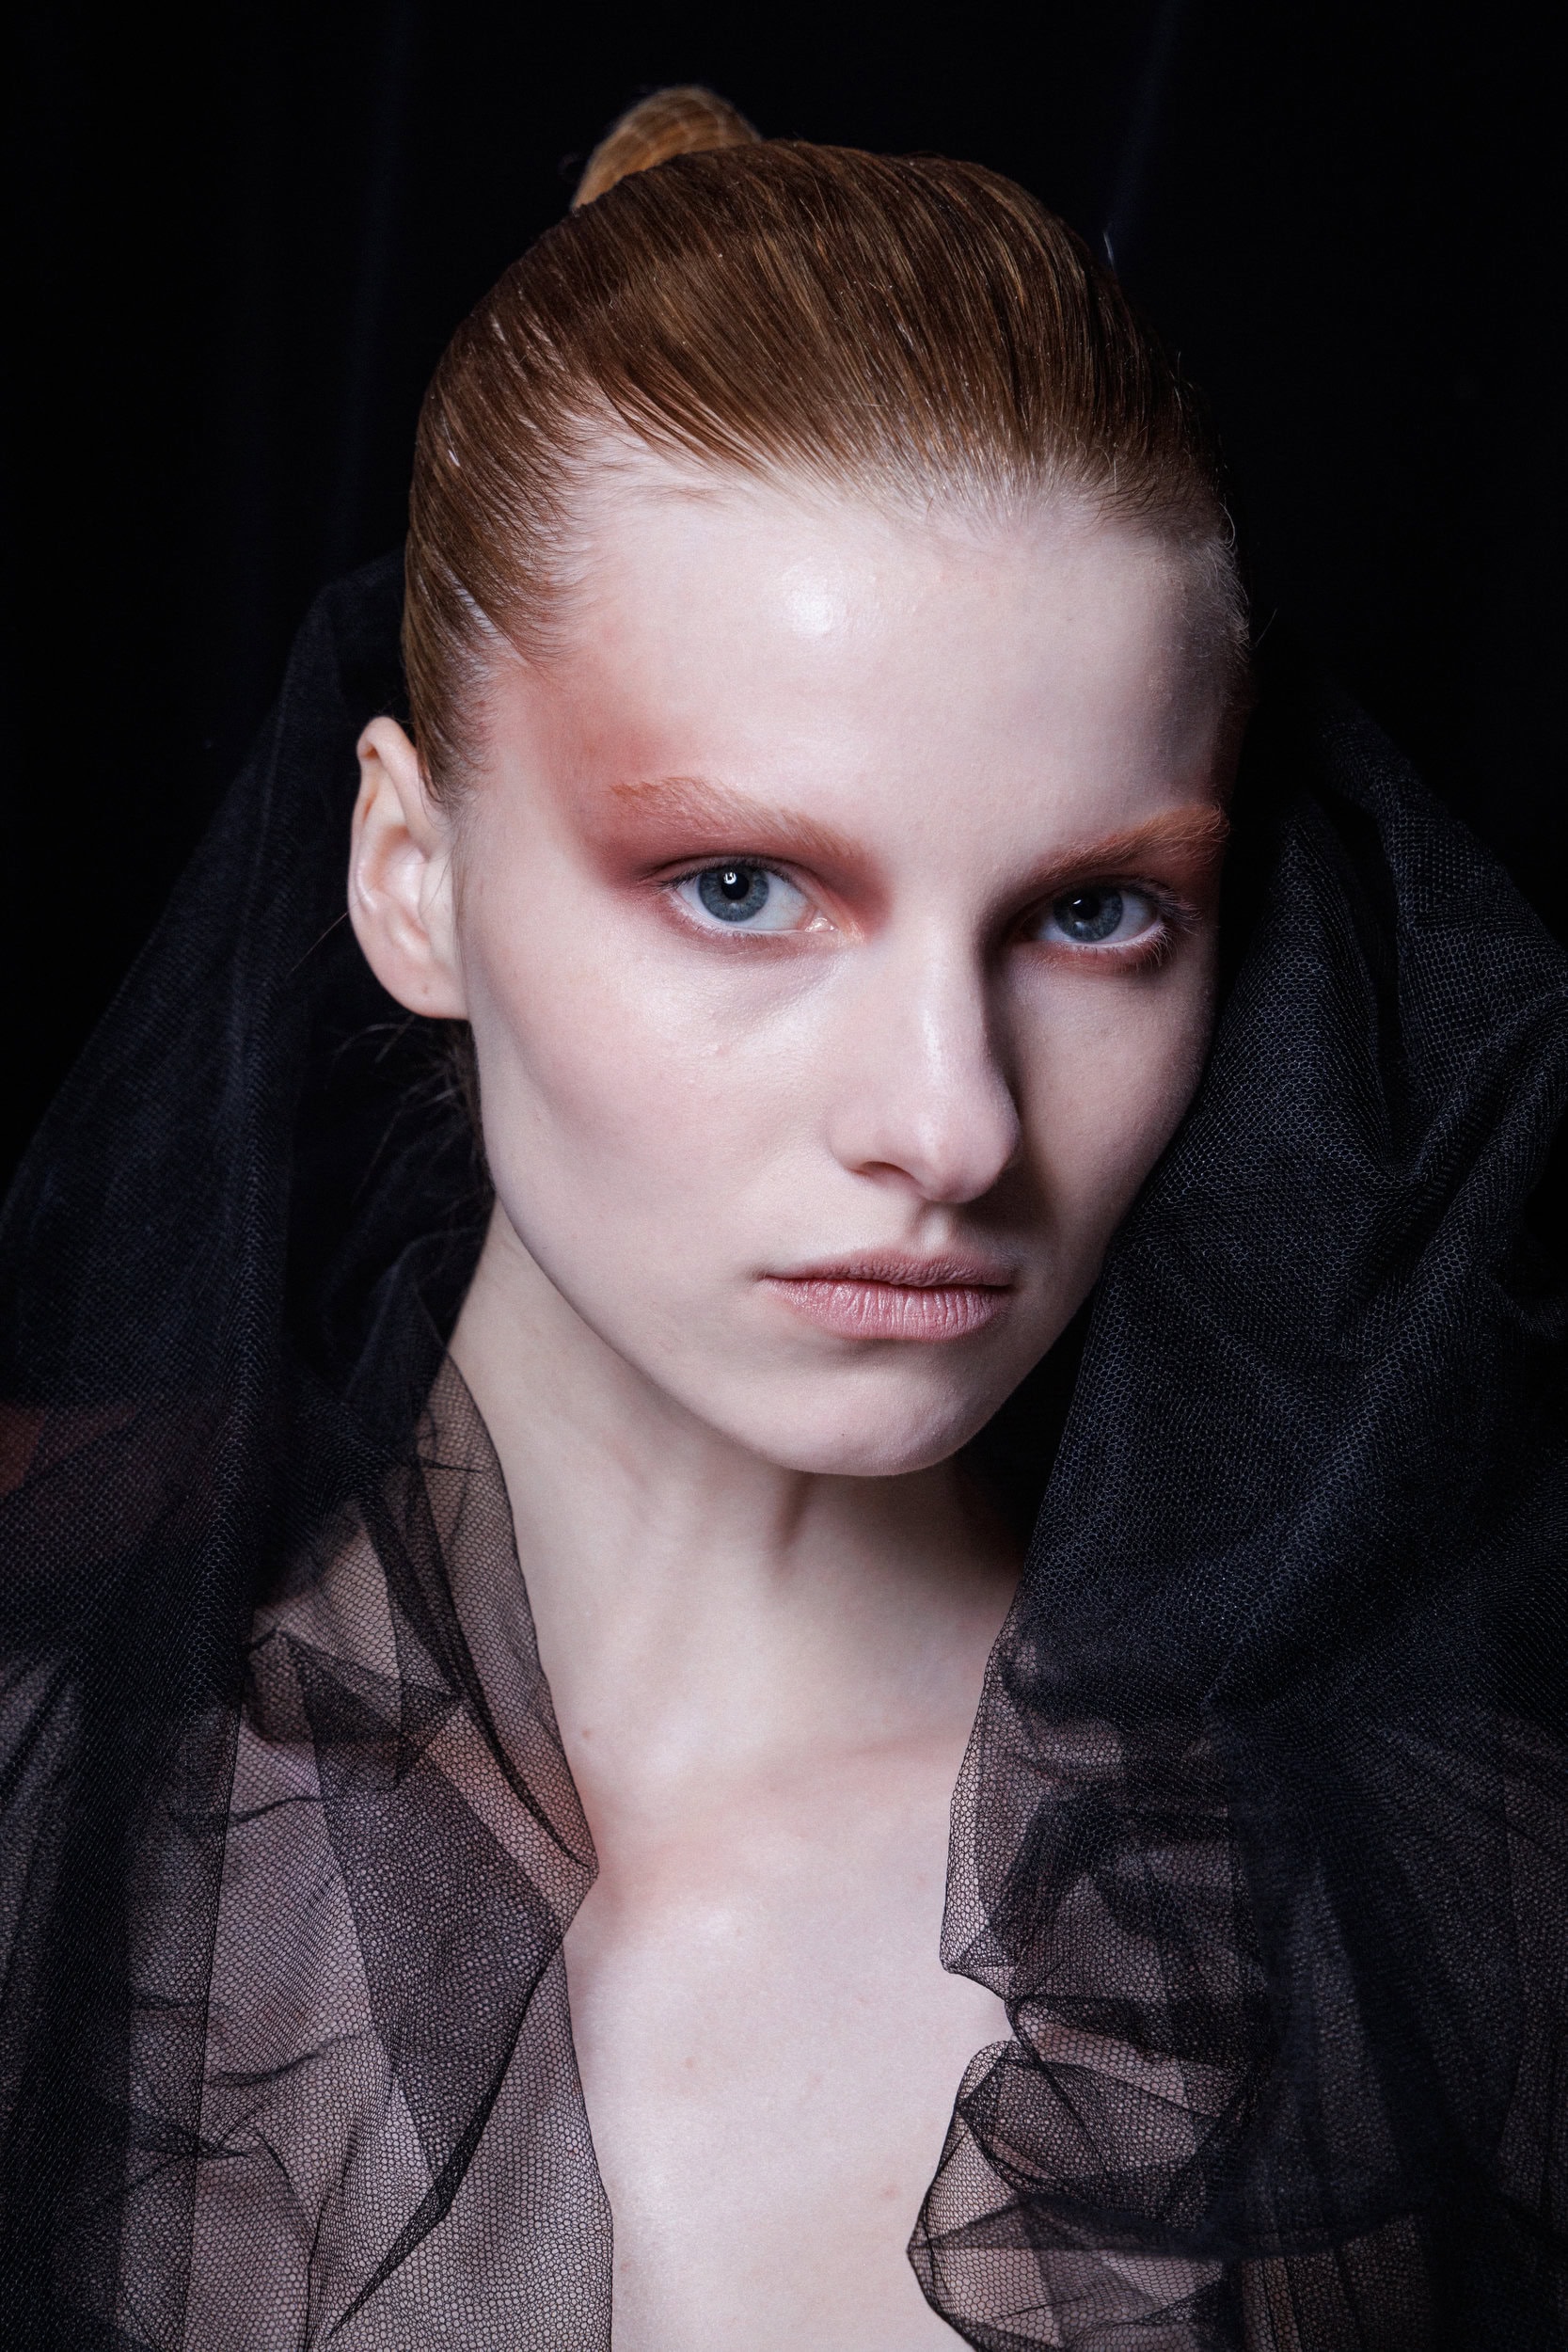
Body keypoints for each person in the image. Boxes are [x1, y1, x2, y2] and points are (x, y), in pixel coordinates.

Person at [2, 86, 1566, 2352]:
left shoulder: (1444, 1911)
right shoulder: (54, 1821)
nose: (949, 1120)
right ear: (409, 877)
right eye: (741, 885)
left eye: (1096, 912)